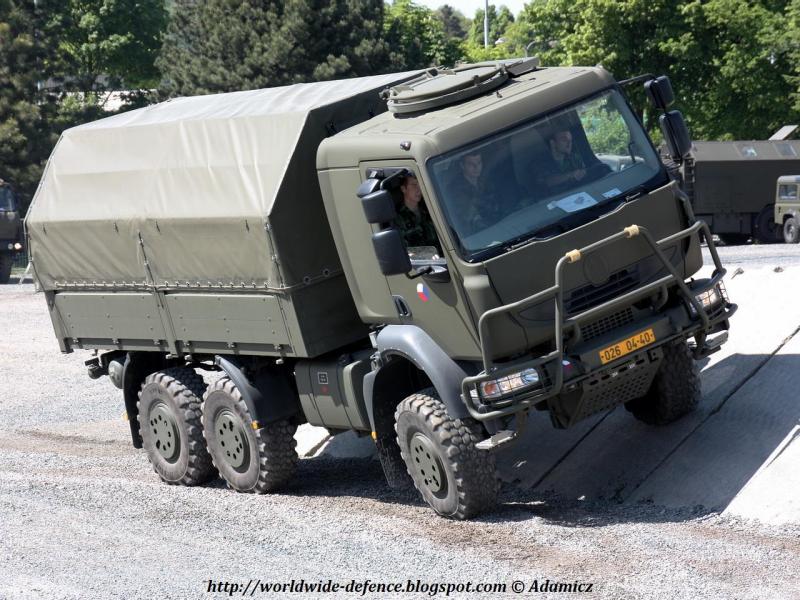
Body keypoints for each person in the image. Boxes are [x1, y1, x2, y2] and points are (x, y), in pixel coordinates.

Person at [393, 174, 440, 251]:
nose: (419, 189)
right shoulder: (397, 218)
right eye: (414, 185)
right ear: (403, 189)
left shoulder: (429, 210)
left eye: (420, 184)